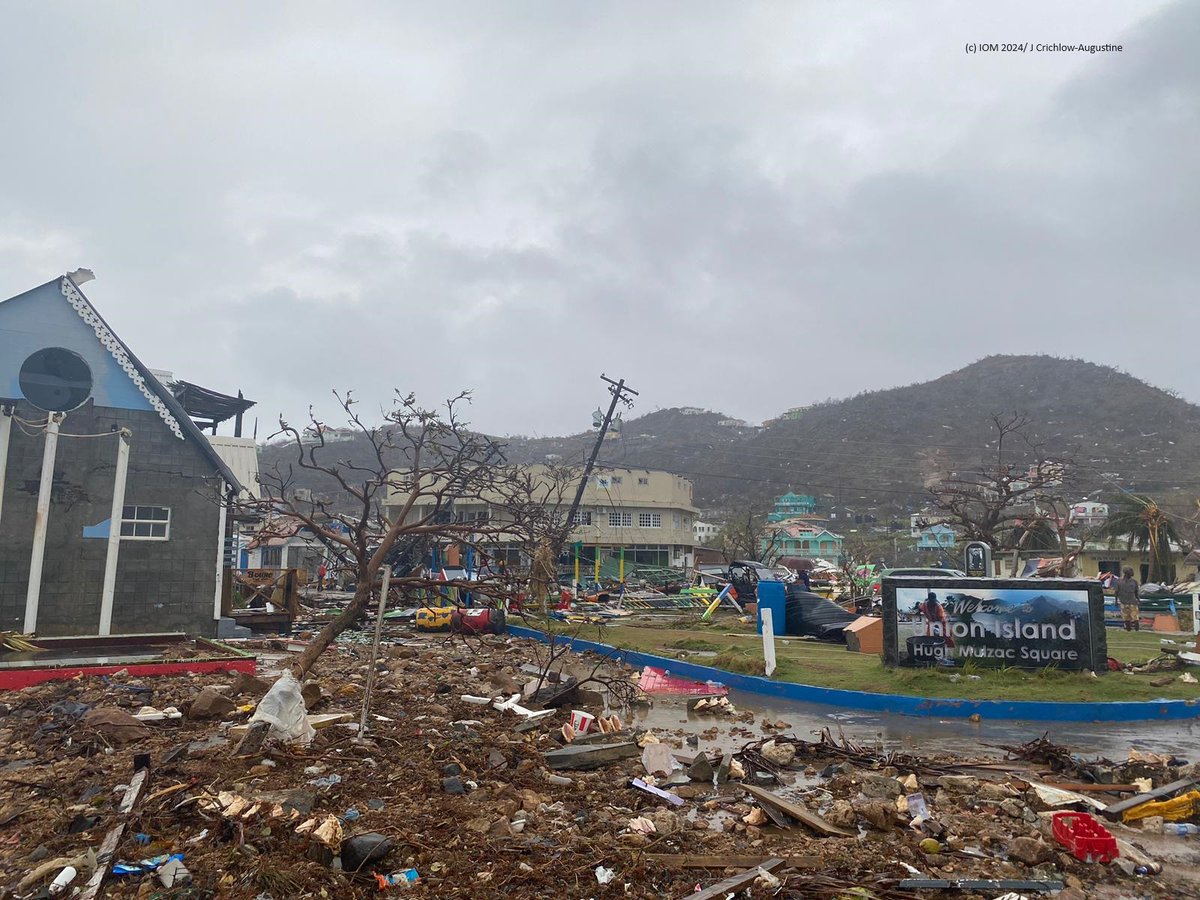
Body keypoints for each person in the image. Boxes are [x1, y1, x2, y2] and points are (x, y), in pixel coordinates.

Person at [1116, 567, 1141, 631]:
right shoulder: (1119, 581)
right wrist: (1116, 601)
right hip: (1123, 602)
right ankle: (1128, 630)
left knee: (1135, 617)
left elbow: (1136, 591)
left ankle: (1137, 629)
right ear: (1126, 573)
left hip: (1132, 602)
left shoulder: (1134, 582)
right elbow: (1116, 592)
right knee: (1126, 618)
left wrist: (1138, 599)